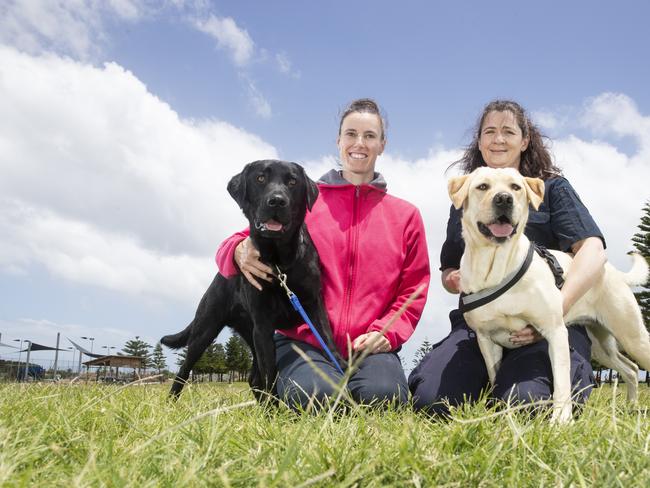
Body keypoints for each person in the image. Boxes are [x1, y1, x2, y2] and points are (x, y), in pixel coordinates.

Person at [216, 98, 430, 410]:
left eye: (370, 136)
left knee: (383, 399)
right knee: (319, 400)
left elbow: (414, 287)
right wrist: (236, 250)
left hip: (369, 348)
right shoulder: (304, 197)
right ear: (339, 141)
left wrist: (388, 331)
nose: (360, 143)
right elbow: (243, 238)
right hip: (304, 342)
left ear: (382, 144)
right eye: (351, 134)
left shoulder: (406, 215)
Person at [408, 100, 607, 416]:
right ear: (480, 141)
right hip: (479, 327)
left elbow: (593, 252)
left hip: (544, 326)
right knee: (432, 401)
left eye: (507, 131)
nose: (498, 139)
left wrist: (559, 305)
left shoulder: (552, 187)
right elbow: (449, 272)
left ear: (525, 140)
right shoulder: (469, 192)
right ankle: (486, 383)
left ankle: (527, 386)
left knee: (527, 405)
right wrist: (456, 279)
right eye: (490, 131)